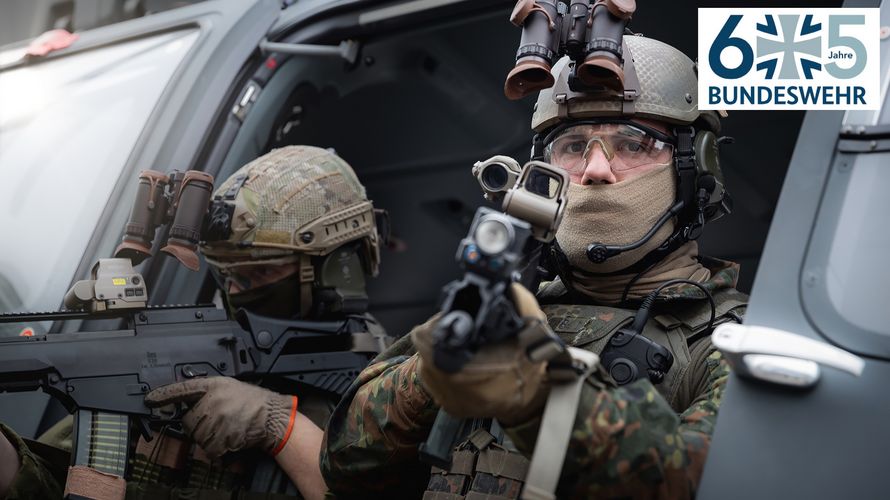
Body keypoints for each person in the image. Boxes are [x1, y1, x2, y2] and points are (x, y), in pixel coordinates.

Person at [319, 34, 748, 499]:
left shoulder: (731, 342)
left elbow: (701, 479)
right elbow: (343, 463)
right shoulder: (507, 305)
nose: (596, 170)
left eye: (633, 145)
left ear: (694, 170)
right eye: (571, 146)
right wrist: (435, 373)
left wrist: (535, 393)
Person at [0, 145, 389, 499]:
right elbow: (50, 483)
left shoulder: (394, 391)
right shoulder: (182, 374)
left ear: (338, 269)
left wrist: (280, 427)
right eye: (226, 274)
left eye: (258, 275)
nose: (236, 289)